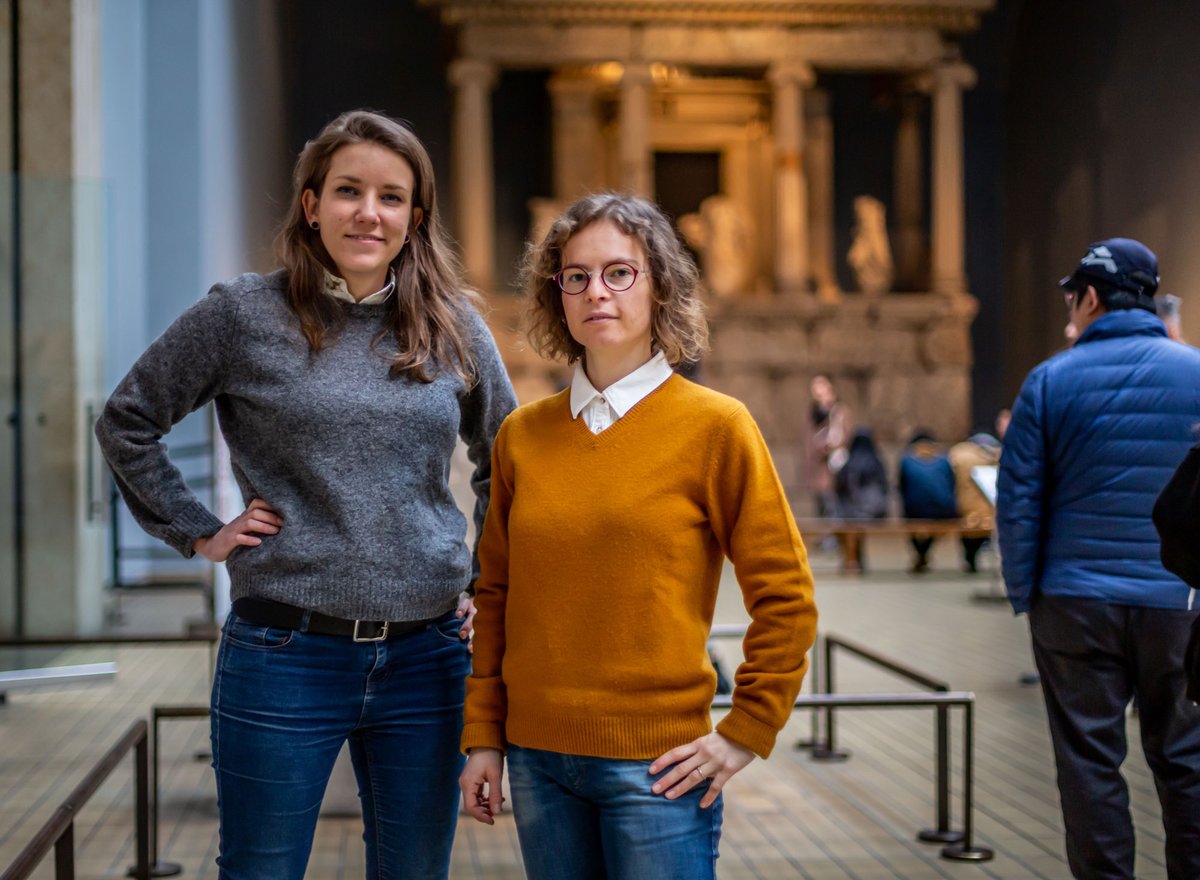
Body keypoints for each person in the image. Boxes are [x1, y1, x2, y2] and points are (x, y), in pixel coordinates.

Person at [95, 110, 517, 879]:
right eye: (349, 190)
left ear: (414, 219)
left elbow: (510, 460)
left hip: (428, 655)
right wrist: (198, 530)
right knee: (259, 870)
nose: (369, 212)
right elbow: (127, 420)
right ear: (311, 204)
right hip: (284, 653)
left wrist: (489, 585)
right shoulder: (241, 315)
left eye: (391, 197)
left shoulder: (454, 324)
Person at [456, 193, 818, 880]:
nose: (597, 291)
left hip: (656, 770)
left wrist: (746, 732)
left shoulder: (716, 427)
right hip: (537, 761)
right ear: (556, 294)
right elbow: (495, 595)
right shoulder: (521, 438)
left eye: (620, 273)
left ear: (660, 288)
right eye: (576, 275)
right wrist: (483, 737)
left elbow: (787, 595)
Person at [997, 237, 1200, 880]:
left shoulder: (1049, 382)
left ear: (1088, 298)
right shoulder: (1196, 374)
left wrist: (1026, 594)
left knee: (1089, 766)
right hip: (1179, 603)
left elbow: (1019, 503)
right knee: (1187, 761)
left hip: (1076, 605)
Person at [897, 430, 958, 573]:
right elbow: (951, 482)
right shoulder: (944, 460)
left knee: (911, 524)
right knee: (939, 525)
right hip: (943, 508)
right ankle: (923, 553)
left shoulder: (907, 460)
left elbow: (902, 485)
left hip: (914, 508)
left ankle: (921, 554)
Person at [833, 426, 889, 572]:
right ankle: (855, 560)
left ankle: (851, 561)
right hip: (874, 512)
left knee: (847, 523)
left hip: (850, 512)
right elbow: (885, 487)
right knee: (854, 526)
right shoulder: (877, 461)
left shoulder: (848, 462)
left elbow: (839, 487)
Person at [948, 431, 1001, 573]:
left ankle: (970, 558)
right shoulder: (997, 456)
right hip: (990, 508)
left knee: (969, 532)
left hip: (965, 507)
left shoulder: (958, 455)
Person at [809, 373, 851, 518]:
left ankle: (833, 538)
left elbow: (846, 436)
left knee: (834, 507)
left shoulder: (839, 411)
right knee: (822, 506)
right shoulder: (813, 412)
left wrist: (829, 447)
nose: (815, 389)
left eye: (820, 384)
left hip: (836, 467)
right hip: (818, 468)